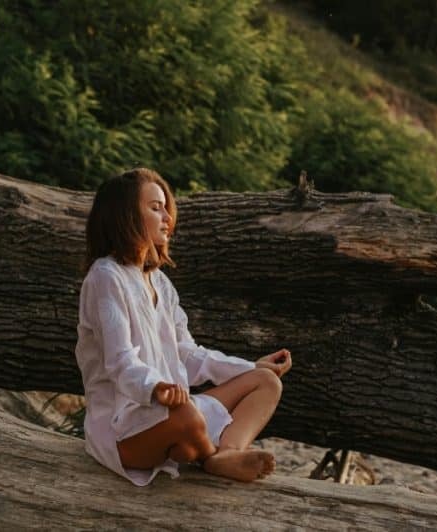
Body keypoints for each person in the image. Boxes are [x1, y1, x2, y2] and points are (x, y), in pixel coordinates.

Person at [74, 167, 293, 486]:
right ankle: (208, 455)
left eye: (166, 207)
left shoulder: (160, 284)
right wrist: (156, 388)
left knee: (265, 383)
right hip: (123, 429)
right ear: (124, 216)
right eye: (154, 207)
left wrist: (248, 367)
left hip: (174, 412)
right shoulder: (105, 277)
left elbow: (188, 355)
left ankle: (227, 453)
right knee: (187, 416)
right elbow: (119, 362)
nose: (167, 217)